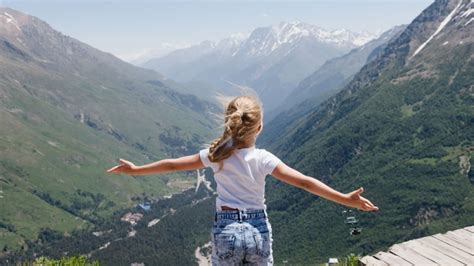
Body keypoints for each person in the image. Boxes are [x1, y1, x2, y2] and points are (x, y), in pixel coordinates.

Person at [106, 95, 378, 265]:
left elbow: (172, 165)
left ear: (229, 124)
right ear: (259, 127)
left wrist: (135, 169)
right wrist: (345, 199)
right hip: (258, 228)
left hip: (226, 229)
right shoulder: (263, 159)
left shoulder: (215, 155)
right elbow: (305, 182)